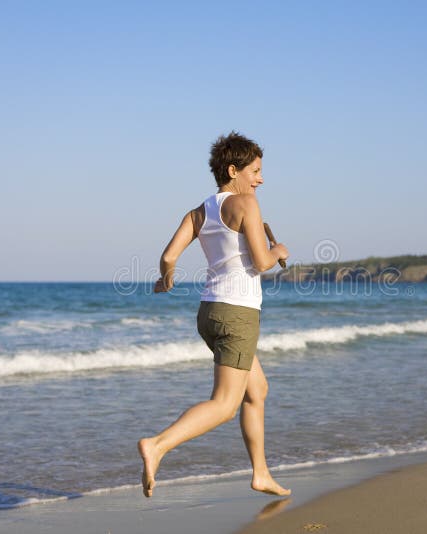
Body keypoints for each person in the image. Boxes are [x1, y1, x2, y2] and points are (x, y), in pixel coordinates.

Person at [137, 131, 291, 498]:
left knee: (258, 390)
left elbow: (169, 256)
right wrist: (279, 249)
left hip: (210, 313)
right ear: (234, 170)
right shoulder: (247, 205)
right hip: (238, 314)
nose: (261, 179)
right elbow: (261, 261)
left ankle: (261, 473)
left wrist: (166, 280)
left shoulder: (199, 211)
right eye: (255, 171)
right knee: (225, 404)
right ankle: (157, 444)